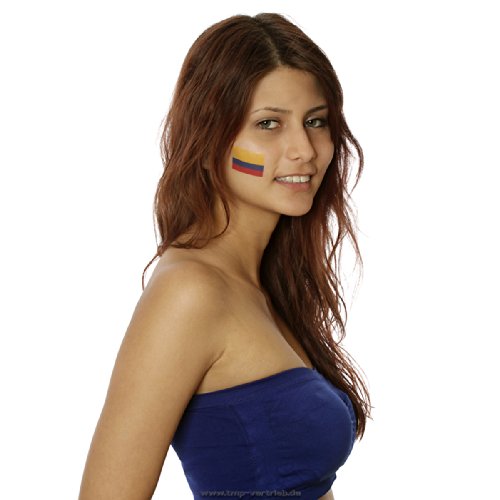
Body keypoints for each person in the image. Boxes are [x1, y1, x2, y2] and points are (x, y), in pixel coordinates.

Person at [79, 12, 371, 500]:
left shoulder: (265, 284)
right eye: (268, 124)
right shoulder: (190, 292)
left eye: (315, 121)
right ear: (209, 138)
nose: (303, 149)